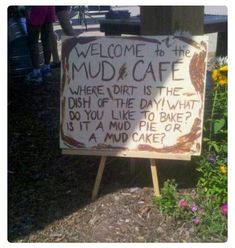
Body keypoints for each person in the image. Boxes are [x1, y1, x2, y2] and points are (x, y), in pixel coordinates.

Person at [25, 6, 56, 83]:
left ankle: (36, 73)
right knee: (46, 40)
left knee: (33, 41)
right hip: (50, 7)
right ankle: (47, 69)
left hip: (36, 7)